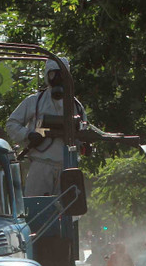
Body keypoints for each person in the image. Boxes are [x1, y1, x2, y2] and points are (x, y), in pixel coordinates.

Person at [6, 57, 87, 196]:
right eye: (52, 74)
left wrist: (85, 145)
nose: (57, 78)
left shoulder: (76, 106)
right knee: (36, 209)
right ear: (46, 75)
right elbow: (11, 124)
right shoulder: (34, 101)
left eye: (61, 74)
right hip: (41, 165)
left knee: (68, 211)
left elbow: (83, 133)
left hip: (68, 166)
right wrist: (28, 134)